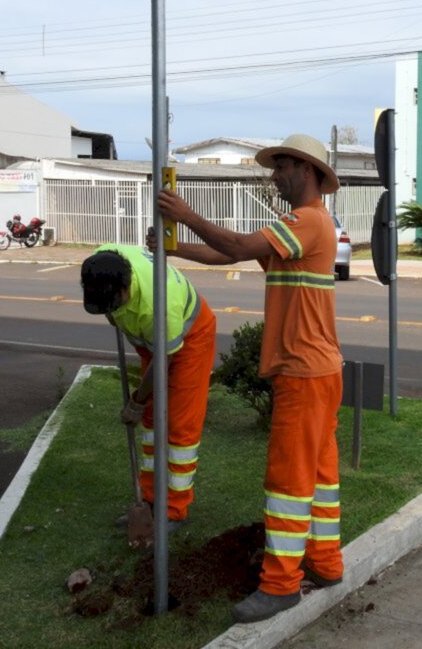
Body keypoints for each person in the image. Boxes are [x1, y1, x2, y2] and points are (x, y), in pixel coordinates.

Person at [157, 133, 344, 623]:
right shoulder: (302, 226)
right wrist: (176, 248)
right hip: (317, 372)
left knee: (288, 480)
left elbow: (238, 245)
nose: (274, 176)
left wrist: (184, 214)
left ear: (305, 170)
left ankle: (280, 584)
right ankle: (325, 563)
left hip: (304, 374)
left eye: (281, 167)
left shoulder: (308, 220)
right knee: (320, 478)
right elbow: (231, 255)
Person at [80, 242, 217, 534]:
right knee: (152, 422)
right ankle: (151, 500)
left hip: (191, 339)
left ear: (125, 288)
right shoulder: (105, 259)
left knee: (180, 426)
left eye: (112, 305)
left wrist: (137, 401)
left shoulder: (159, 305)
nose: (110, 312)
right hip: (152, 342)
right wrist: (144, 405)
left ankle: (175, 510)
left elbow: (163, 361)